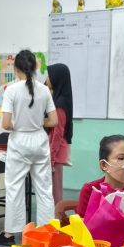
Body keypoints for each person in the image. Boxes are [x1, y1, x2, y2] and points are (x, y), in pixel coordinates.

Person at [0, 50, 58, 246]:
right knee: (44, 189)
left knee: (14, 188)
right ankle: (48, 233)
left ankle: (10, 234)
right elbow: (53, 120)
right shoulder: (44, 90)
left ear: (16, 68)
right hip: (39, 140)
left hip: (19, 141)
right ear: (35, 68)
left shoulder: (11, 90)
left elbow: (6, 124)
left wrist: (21, 122)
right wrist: (36, 121)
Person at [45, 63, 73, 205]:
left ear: (57, 78)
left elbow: (57, 133)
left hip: (55, 153)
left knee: (55, 193)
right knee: (53, 190)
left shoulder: (61, 103)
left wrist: (51, 159)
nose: (46, 78)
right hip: (55, 152)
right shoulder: (59, 98)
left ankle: (56, 221)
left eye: (49, 76)